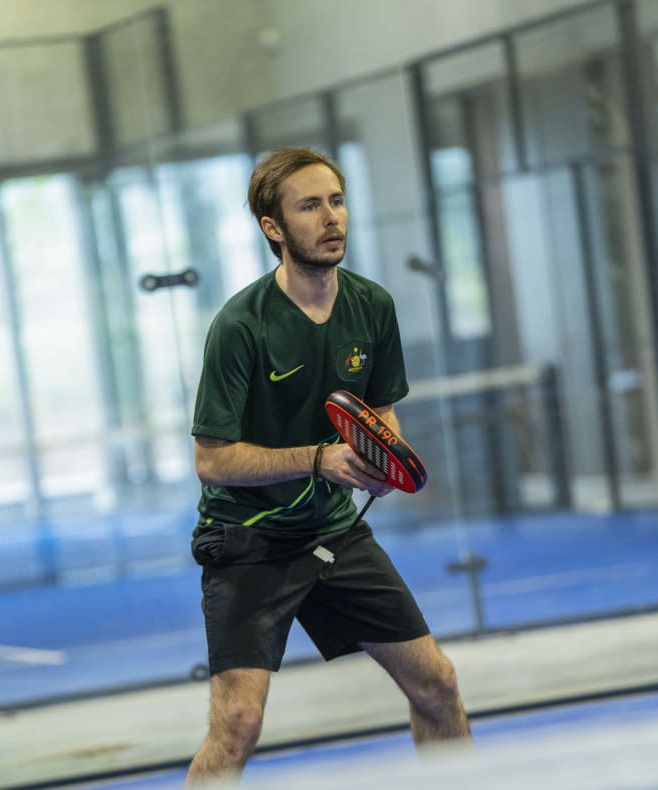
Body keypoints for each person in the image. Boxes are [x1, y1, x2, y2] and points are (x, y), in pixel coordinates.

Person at [186, 148, 470, 785]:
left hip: (335, 535)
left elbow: (381, 415)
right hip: (248, 542)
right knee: (237, 723)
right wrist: (319, 459)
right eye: (309, 206)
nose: (330, 217)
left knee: (438, 685)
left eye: (336, 201)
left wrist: (380, 460)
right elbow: (211, 460)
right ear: (274, 227)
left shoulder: (372, 306)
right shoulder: (240, 326)